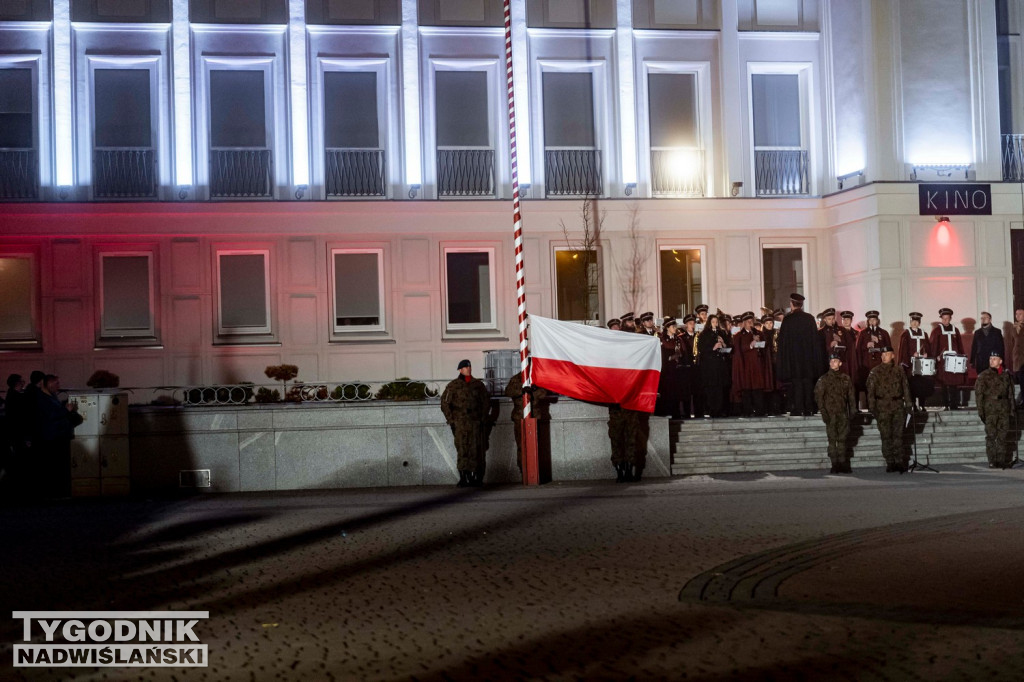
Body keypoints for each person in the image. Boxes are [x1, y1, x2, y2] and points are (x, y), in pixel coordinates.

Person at [440, 360, 492, 487]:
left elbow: (486, 403)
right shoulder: (453, 385)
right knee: (462, 448)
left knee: (476, 449)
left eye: (469, 366)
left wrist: (483, 418)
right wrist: (451, 420)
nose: (468, 369)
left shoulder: (478, 385)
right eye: (465, 367)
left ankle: (476, 477)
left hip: (475, 422)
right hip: (460, 422)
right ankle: (464, 476)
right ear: (460, 370)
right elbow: (445, 403)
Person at [776, 293, 826, 417]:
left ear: (791, 304)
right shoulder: (809, 318)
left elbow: (782, 342)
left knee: (796, 384)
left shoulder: (788, 320)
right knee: (808, 384)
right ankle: (809, 408)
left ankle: (798, 408)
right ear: (802, 305)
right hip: (808, 360)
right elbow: (815, 341)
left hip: (793, 360)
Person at [34, 374, 83, 498]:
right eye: (56, 384)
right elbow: (51, 415)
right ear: (49, 384)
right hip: (53, 437)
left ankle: (58, 493)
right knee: (56, 467)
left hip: (58, 435)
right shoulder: (42, 398)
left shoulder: (51, 396)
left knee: (60, 467)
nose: (58, 386)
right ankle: (56, 493)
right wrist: (66, 410)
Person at [865, 346, 911, 473]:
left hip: (897, 406)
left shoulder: (899, 370)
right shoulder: (875, 371)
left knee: (898, 436)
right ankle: (890, 462)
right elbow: (870, 392)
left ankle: (899, 461)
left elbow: (905, 388)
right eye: (883, 354)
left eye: (887, 354)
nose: (884, 356)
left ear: (893, 356)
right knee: (886, 436)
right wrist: (872, 408)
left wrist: (908, 404)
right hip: (882, 407)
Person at [814, 352, 858, 473]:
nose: (833, 363)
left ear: (840, 363)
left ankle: (843, 463)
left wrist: (853, 410)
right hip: (830, 414)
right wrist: (824, 413)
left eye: (836, 361)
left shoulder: (845, 378)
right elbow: (819, 398)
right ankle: (834, 464)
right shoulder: (824, 379)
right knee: (832, 440)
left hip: (843, 413)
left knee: (843, 439)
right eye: (831, 361)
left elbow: (851, 396)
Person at [503, 369, 550, 475]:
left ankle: (536, 470)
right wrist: (521, 390)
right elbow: (508, 391)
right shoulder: (516, 379)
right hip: (519, 417)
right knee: (521, 445)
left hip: (535, 416)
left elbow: (544, 393)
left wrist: (533, 390)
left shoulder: (536, 377)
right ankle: (523, 470)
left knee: (536, 444)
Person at [974, 351, 1015, 469]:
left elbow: (1011, 394)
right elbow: (979, 395)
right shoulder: (983, 376)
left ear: (1000, 361)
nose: (991, 361)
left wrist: (1012, 409)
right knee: (991, 436)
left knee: (1002, 435)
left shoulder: (1006, 375)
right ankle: (992, 460)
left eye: (994, 359)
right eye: (990, 358)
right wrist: (981, 412)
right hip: (990, 408)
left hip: (1004, 408)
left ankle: (1001, 460)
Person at [732, 312, 769, 417]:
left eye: (751, 321)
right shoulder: (739, 336)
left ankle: (759, 410)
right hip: (746, 366)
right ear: (744, 323)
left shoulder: (759, 333)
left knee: (758, 388)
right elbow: (739, 350)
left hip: (757, 365)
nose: (750, 323)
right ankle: (747, 410)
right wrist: (751, 344)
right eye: (748, 322)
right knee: (747, 389)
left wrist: (760, 343)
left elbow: (765, 347)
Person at [929, 307, 966, 410]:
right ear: (941, 318)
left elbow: (960, 346)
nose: (945, 320)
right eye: (943, 318)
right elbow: (933, 345)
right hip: (943, 361)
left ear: (950, 318)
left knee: (954, 384)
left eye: (947, 318)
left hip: (954, 360)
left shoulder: (956, 330)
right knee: (944, 383)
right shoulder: (936, 331)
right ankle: (946, 404)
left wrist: (962, 358)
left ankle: (954, 404)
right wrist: (935, 357)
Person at [898, 312, 934, 412]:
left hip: (922, 365)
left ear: (919, 323)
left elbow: (928, 348)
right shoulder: (905, 334)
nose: (914, 323)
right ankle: (913, 405)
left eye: (916, 322)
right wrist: (911, 356)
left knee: (922, 385)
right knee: (912, 385)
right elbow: (903, 350)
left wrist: (926, 354)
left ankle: (922, 405)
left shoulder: (924, 334)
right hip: (910, 364)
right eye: (913, 321)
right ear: (910, 322)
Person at [854, 310, 891, 408]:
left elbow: (889, 349)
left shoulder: (883, 333)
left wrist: (878, 342)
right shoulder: (863, 333)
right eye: (870, 320)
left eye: (874, 320)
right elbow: (858, 350)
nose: (872, 322)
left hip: (880, 364)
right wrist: (866, 345)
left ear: (877, 321)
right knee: (868, 385)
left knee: (881, 384)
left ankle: (881, 405)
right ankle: (869, 405)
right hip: (867, 364)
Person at [697, 315, 731, 417]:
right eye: (713, 322)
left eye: (716, 322)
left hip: (720, 365)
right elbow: (701, 348)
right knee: (711, 388)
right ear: (709, 323)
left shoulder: (721, 333)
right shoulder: (704, 334)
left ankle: (720, 409)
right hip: (710, 366)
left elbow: (728, 348)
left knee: (720, 388)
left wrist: (723, 344)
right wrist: (713, 347)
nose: (715, 324)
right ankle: (712, 409)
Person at [656, 317, 682, 418]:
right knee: (667, 392)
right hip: (667, 371)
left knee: (676, 392)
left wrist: (680, 355)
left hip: (677, 370)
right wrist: (672, 357)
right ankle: (666, 411)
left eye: (675, 326)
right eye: (673, 326)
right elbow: (662, 355)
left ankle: (676, 412)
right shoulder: (662, 339)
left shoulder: (677, 339)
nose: (675, 328)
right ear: (667, 328)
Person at [820, 308, 856, 380]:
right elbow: (819, 349)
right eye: (829, 319)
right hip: (828, 362)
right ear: (824, 319)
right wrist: (830, 345)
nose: (832, 321)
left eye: (833, 318)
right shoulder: (821, 332)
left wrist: (840, 341)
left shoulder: (842, 330)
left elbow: (850, 344)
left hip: (842, 362)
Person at [678, 314, 700, 418]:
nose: (693, 325)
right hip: (687, 368)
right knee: (686, 392)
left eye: (694, 323)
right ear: (686, 325)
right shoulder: (682, 337)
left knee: (697, 391)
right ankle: (686, 413)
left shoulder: (698, 336)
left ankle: (698, 412)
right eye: (690, 323)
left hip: (697, 367)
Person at [1011, 307, 1024, 408]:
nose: (1017, 316)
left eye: (1020, 314)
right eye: (1016, 314)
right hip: (1017, 357)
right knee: (1020, 379)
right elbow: (1012, 342)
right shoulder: (1013, 327)